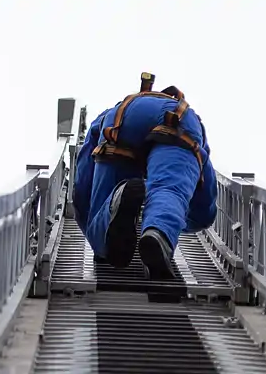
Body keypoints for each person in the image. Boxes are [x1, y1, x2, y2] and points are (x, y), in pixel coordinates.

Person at [72, 73, 217, 280]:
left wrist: (85, 210)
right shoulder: (187, 114)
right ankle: (158, 233)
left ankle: (116, 200)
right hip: (179, 119)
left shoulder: (113, 110)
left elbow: (84, 174)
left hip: (120, 121)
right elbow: (204, 182)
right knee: (169, 188)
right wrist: (203, 214)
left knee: (100, 228)